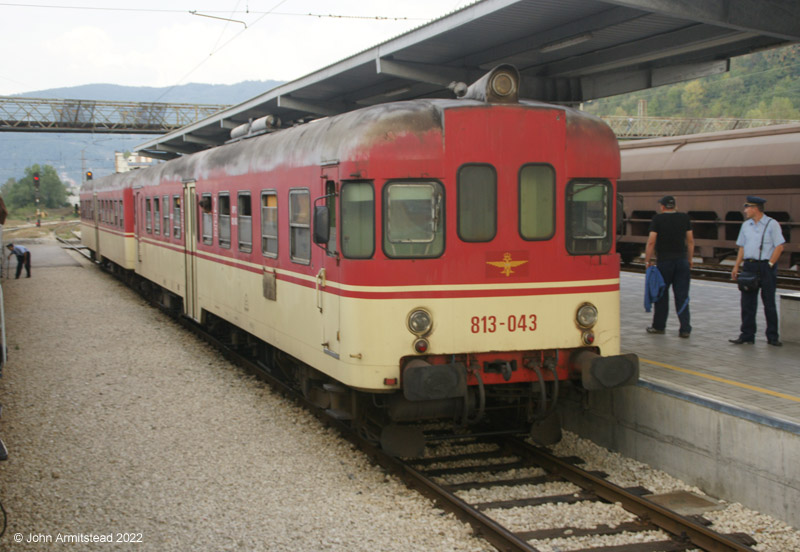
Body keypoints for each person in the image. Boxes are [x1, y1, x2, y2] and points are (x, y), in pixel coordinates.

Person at [730, 196, 785, 346]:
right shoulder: (746, 225)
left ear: (755, 208)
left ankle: (772, 336)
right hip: (749, 266)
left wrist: (771, 264)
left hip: (766, 267)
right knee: (747, 303)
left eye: (747, 207)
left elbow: (780, 246)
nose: (745, 210)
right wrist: (736, 266)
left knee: (769, 302)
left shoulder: (771, 224)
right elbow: (742, 246)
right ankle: (747, 335)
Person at [643, 195, 694, 337]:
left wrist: (648, 260)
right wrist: (689, 259)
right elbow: (690, 241)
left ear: (663, 206)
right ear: (675, 206)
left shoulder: (658, 219)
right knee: (682, 296)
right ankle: (685, 329)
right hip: (681, 261)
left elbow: (652, 241)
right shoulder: (684, 218)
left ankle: (659, 326)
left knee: (661, 295)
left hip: (664, 262)